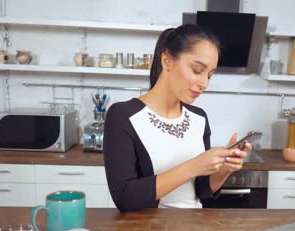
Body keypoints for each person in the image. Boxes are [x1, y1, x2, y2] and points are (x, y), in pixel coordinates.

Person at [103, 24, 252, 212]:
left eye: (210, 75)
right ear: (166, 60)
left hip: (192, 230)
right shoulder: (123, 115)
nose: (204, 83)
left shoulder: (199, 118)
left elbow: (201, 190)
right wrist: (193, 166)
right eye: (197, 70)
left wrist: (225, 169)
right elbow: (125, 198)